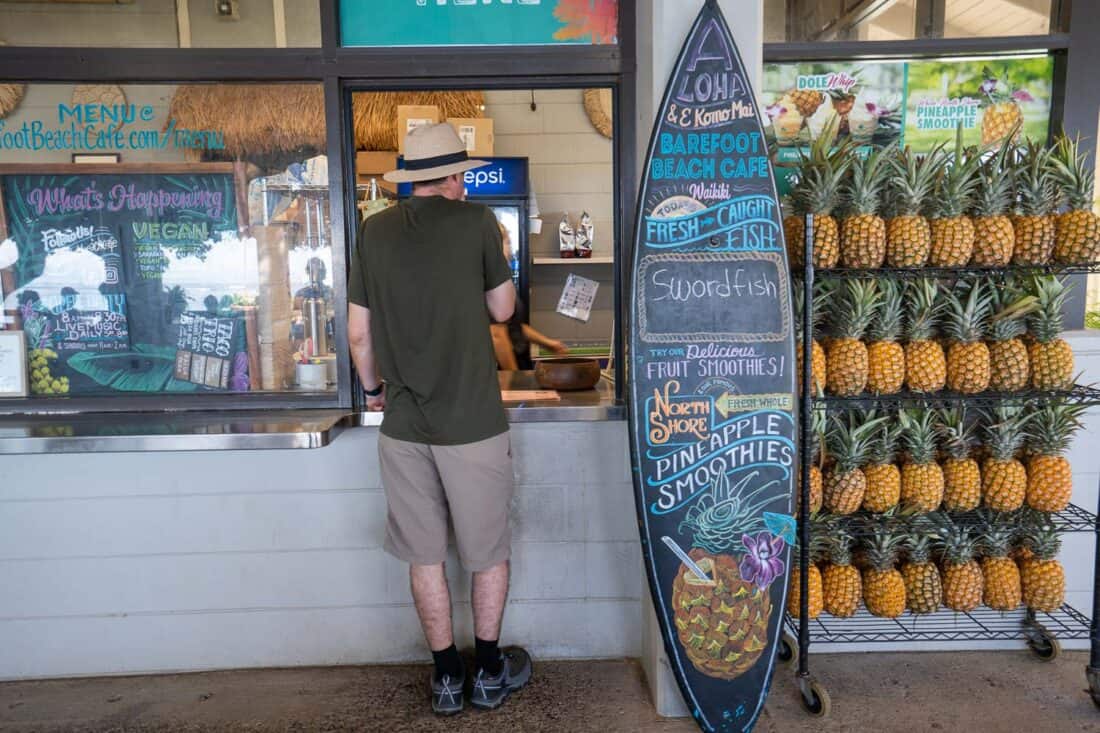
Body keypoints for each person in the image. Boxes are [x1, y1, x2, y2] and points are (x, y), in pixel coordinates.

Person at [346, 123, 532, 716]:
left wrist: (374, 390)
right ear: (455, 177)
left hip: (403, 426)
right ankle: (489, 671)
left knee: (424, 554)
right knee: (487, 551)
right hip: (473, 422)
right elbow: (504, 309)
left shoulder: (373, 232)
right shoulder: (477, 223)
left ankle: (447, 678)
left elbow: (358, 332)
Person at [489, 223, 569, 370]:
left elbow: (515, 328)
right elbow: (497, 335)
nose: (511, 249)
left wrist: (548, 343)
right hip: (500, 372)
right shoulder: (489, 283)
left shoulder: (501, 281)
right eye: (507, 242)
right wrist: (514, 377)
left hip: (519, 361)